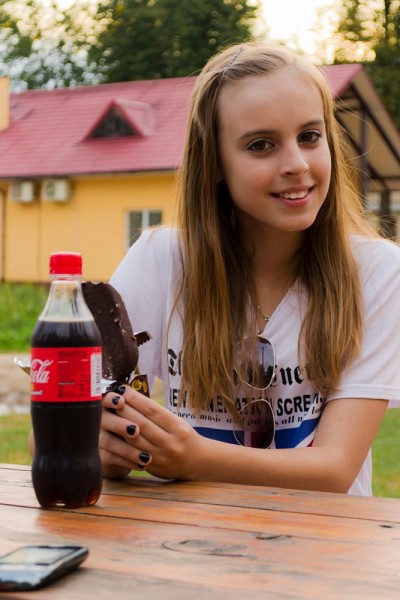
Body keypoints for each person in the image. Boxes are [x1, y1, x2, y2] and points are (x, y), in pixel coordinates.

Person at [99, 41, 400, 496]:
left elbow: (335, 470)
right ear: (214, 162)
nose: (296, 164)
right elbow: (56, 435)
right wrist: (105, 445)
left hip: (324, 536)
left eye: (310, 136)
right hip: (192, 536)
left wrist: (196, 458)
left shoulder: (376, 272)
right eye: (261, 145)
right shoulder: (159, 260)